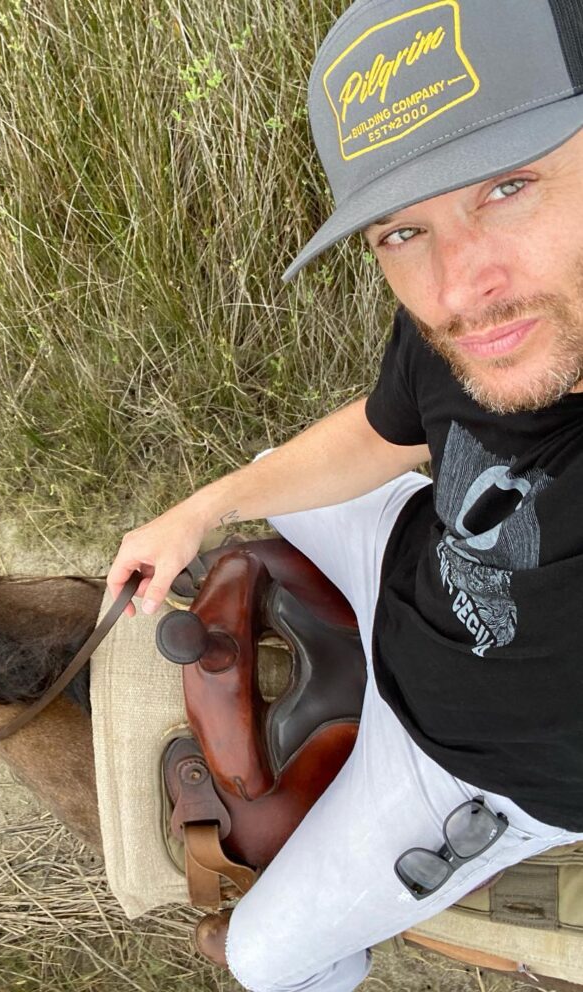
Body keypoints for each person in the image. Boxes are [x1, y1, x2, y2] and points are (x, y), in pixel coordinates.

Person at [105, 1, 583, 989]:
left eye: (509, 185)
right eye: (404, 227)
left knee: (264, 959)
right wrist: (205, 503)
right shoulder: (481, 319)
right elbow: (378, 434)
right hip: (413, 555)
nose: (459, 288)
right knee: (288, 470)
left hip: (465, 765)